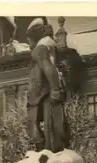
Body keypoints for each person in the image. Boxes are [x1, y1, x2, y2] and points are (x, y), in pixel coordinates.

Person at [26, 18, 69, 153]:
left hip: (43, 94)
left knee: (36, 126)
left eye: (28, 40)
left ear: (34, 37)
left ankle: (47, 151)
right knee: (55, 125)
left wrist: (55, 89)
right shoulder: (50, 47)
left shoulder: (40, 49)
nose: (28, 43)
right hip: (46, 93)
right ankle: (49, 150)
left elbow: (48, 67)